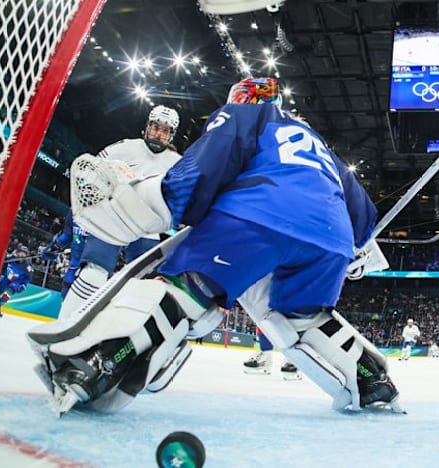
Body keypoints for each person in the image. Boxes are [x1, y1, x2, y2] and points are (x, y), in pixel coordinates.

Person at [35, 76, 399, 414]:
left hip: (259, 215)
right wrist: (355, 251)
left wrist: (166, 200)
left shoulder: (245, 115)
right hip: (330, 243)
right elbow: (363, 215)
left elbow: (205, 167)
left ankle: (95, 366)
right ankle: (373, 382)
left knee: (186, 288)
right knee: (299, 318)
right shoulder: (319, 145)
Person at [58, 105, 181, 320]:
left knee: (143, 284)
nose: (158, 133)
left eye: (164, 130)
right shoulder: (125, 147)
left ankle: (118, 329)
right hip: (113, 219)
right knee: (94, 273)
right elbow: (93, 171)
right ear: (147, 126)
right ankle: (64, 323)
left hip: (147, 228)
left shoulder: (178, 164)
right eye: (155, 127)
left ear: (171, 134)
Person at [39, 209, 88, 298]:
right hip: (74, 265)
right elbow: (67, 235)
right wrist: (53, 247)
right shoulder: (74, 210)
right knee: (66, 290)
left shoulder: (105, 212)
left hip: (93, 268)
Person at [0, 245, 33, 317]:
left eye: (24, 253)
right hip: (7, 278)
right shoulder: (11, 258)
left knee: (11, 288)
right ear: (17, 252)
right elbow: (2, 262)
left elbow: (28, 278)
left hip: (17, 281)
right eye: (20, 252)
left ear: (26, 255)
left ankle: (0, 303)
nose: (22, 255)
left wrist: (23, 285)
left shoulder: (27, 267)